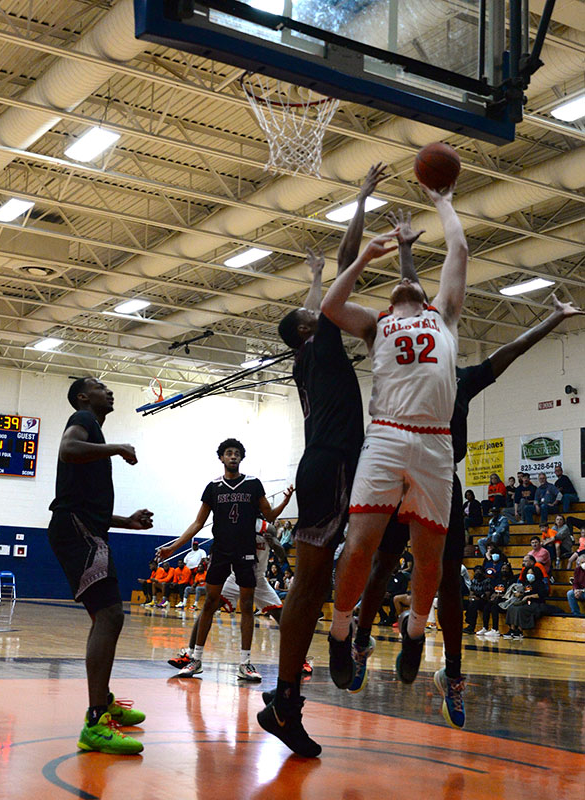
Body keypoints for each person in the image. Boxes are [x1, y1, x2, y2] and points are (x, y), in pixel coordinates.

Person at [349, 287, 584, 728]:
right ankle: (361, 642)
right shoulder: (400, 367)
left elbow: (510, 352)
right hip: (398, 476)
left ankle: (452, 674)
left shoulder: (460, 378)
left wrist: (554, 319)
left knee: (448, 579)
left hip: (440, 482)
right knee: (381, 564)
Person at [257, 164, 388, 759]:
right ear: (313, 327)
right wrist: (359, 200)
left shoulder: (302, 356)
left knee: (312, 581)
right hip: (334, 464)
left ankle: (285, 696)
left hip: (319, 464)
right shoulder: (324, 338)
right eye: (316, 312)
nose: (323, 310)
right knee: (310, 584)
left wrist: (311, 281)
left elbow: (314, 303)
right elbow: (345, 265)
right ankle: (296, 691)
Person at [322, 180, 469, 699]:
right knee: (360, 545)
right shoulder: (375, 324)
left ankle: (413, 632)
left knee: (429, 559)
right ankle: (341, 633)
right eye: (398, 286)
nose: (405, 289)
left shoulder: (444, 317)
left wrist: (443, 201)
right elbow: (331, 306)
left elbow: (460, 249)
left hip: (434, 442)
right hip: (385, 436)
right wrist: (363, 259)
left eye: (412, 286)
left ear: (426, 296)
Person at [48, 376, 153, 755]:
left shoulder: (92, 434)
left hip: (85, 527)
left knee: (107, 616)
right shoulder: (84, 419)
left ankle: (102, 701)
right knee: (110, 616)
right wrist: (117, 448)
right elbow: (67, 449)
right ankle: (95, 722)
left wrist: (129, 522)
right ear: (82, 397)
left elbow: (91, 507)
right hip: (76, 530)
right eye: (99, 386)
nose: (108, 391)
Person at [156, 438, 293, 681]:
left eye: (237, 453)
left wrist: (285, 501)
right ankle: (195, 659)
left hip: (245, 552)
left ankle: (245, 663)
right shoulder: (213, 487)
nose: (233, 456)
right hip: (220, 551)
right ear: (221, 458)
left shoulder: (252, 484)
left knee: (248, 606)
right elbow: (198, 523)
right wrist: (173, 546)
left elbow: (270, 514)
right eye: (228, 453)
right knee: (209, 602)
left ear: (241, 458)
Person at [503, 558, 549, 639]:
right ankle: (512, 629)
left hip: (535, 603)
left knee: (520, 609)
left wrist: (530, 596)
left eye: (531, 573)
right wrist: (519, 594)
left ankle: (520, 631)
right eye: (528, 573)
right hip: (525, 601)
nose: (529, 575)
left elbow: (543, 594)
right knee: (511, 607)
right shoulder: (525, 583)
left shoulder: (539, 583)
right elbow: (523, 593)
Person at [481, 561, 516, 637]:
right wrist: (493, 594)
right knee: (486, 606)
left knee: (494, 607)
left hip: (505, 601)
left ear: (509, 570)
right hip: (496, 599)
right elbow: (494, 590)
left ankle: (495, 629)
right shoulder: (497, 580)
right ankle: (485, 627)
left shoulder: (511, 581)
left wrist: (501, 595)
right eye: (503, 568)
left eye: (506, 569)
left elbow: (511, 593)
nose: (504, 570)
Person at [462, 566, 492, 635]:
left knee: (473, 604)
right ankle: (465, 622)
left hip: (485, 601)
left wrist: (478, 598)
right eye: (476, 572)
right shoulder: (474, 580)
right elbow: (471, 593)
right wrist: (472, 597)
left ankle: (471, 627)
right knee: (464, 603)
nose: (477, 573)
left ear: (483, 573)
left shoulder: (487, 581)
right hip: (475, 600)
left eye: (479, 572)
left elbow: (487, 596)